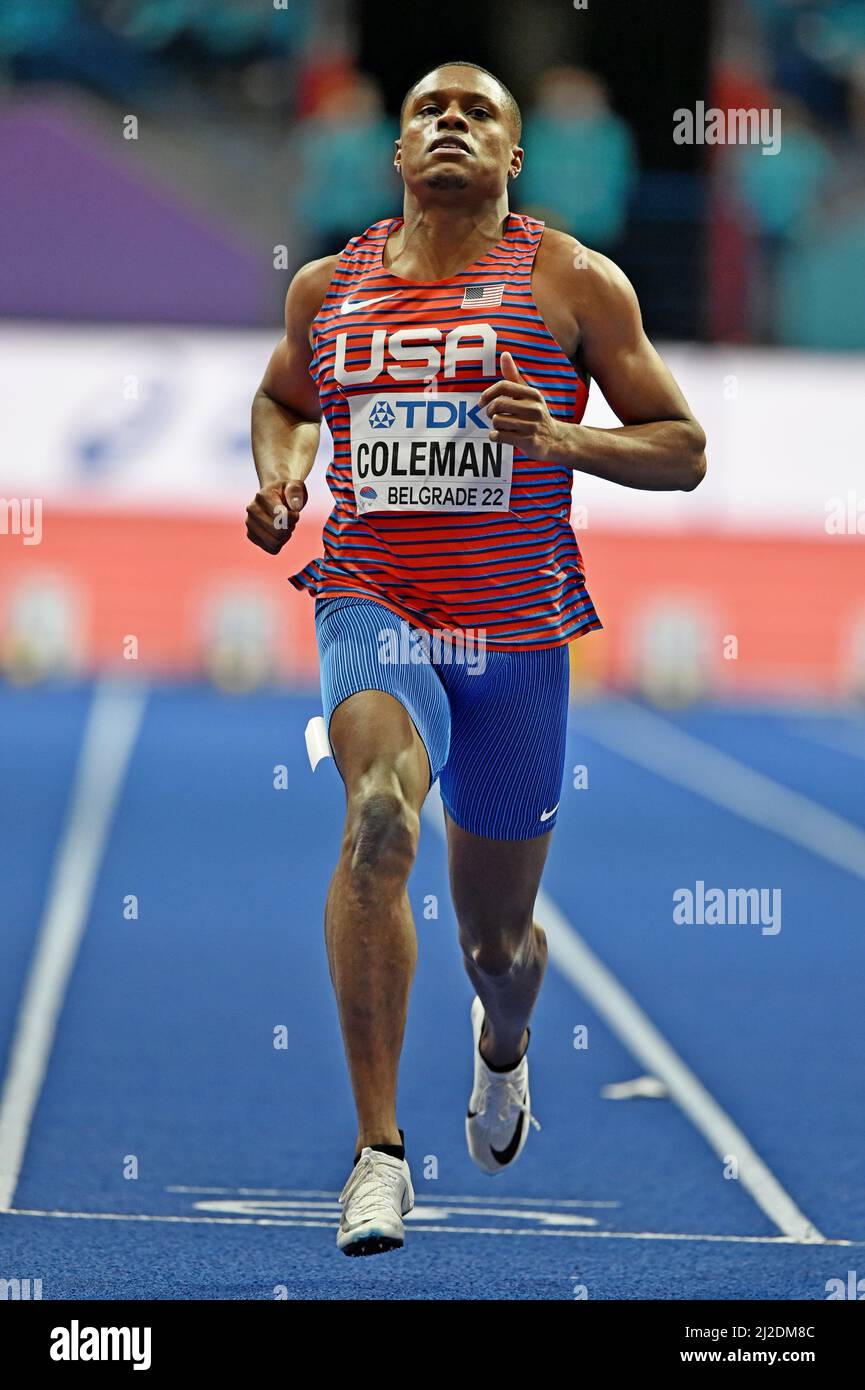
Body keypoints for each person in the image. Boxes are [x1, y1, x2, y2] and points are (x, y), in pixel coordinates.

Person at [246, 60, 706, 1257]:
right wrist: (282, 474)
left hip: (514, 635)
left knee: (496, 947)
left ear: (514, 160)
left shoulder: (569, 281)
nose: (449, 123)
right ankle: (378, 1155)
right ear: (396, 157)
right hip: (370, 598)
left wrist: (560, 434)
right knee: (380, 821)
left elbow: (684, 445)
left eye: (478, 114)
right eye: (426, 112)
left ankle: (502, 1045)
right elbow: (282, 396)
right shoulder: (326, 288)